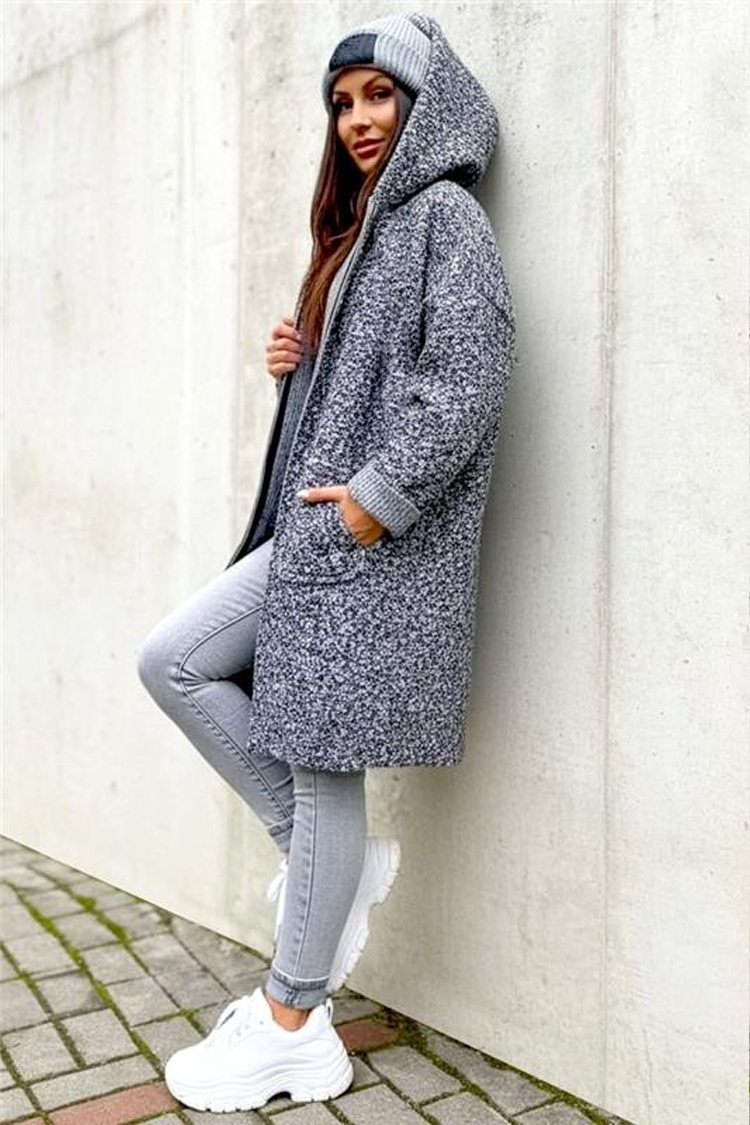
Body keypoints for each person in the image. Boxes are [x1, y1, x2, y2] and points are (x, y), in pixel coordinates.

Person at [136, 10, 516, 1115]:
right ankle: (332, 870)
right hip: (319, 545)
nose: (356, 119)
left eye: (378, 95)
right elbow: (368, 386)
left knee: (316, 758)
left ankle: (296, 1023)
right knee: (176, 662)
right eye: (342, 102)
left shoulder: (444, 215)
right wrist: (300, 364)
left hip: (366, 547)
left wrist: (373, 506)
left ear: (427, 103)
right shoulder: (362, 230)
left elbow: (469, 378)